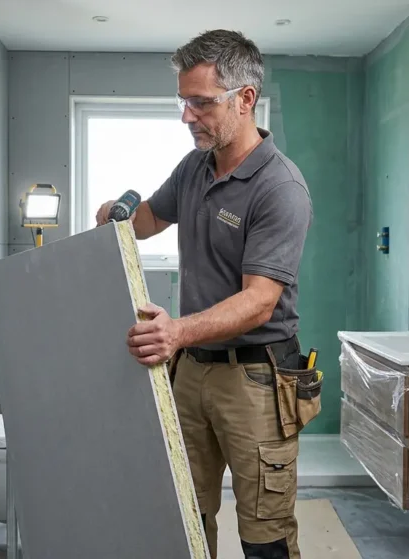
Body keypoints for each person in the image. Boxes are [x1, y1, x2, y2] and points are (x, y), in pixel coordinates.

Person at [95, 29, 313, 559]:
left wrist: (176, 331)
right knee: (183, 516)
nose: (187, 116)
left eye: (201, 103)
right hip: (191, 370)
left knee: (264, 533)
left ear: (245, 98)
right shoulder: (195, 167)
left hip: (255, 379)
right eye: (183, 101)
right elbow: (149, 218)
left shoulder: (279, 187)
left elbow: (259, 300)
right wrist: (116, 218)